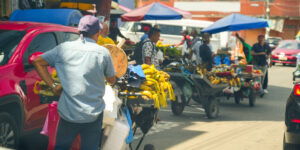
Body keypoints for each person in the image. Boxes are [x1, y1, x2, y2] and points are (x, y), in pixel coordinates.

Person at [33, 15, 116, 150]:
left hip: (69, 112)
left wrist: (53, 86)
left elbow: (37, 61)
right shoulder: (103, 53)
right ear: (98, 33)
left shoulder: (63, 48)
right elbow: (112, 79)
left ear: (78, 31)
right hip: (93, 114)